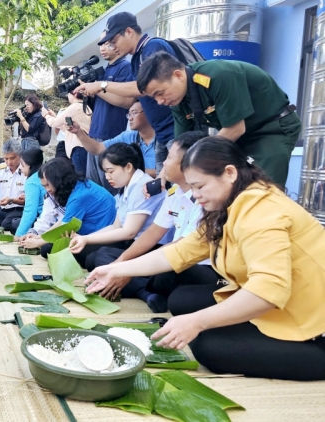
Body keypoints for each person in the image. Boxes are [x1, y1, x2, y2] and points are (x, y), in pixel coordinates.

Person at [86, 137, 325, 381]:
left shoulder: (261, 210)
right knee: (184, 305)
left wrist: (197, 323)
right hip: (280, 305)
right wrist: (117, 270)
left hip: (312, 325)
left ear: (229, 173)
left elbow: (268, 290)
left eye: (200, 186)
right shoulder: (230, 205)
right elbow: (180, 251)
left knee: (207, 345)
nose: (195, 195)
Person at [87, 131, 213, 313]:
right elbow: (153, 233)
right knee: (104, 259)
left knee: (170, 280)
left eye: (169, 158)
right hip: (172, 255)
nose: (163, 164)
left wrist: (126, 270)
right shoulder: (174, 193)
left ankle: (145, 289)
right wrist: (119, 266)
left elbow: (183, 247)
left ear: (190, 163)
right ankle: (147, 291)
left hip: (197, 265)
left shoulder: (206, 199)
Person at [136, 52, 302, 187]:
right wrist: (165, 171)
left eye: (160, 93)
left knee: (261, 188)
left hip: (271, 129)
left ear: (178, 75)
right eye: (154, 98)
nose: (160, 102)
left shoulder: (219, 76)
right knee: (226, 185)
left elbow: (235, 128)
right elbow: (180, 144)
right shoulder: (177, 100)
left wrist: (197, 159)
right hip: (239, 137)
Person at [77, 12, 179, 173]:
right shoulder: (136, 60)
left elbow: (144, 87)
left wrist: (101, 84)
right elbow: (127, 100)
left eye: (113, 41)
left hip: (175, 129)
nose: (112, 47)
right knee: (166, 188)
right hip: (162, 133)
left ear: (129, 32)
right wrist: (98, 89)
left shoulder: (152, 47)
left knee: (181, 184)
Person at [69, 143, 169, 269]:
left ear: (128, 167)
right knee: (82, 253)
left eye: (110, 171)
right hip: (133, 242)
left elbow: (129, 232)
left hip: (151, 246)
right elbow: (116, 226)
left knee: (96, 258)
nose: (107, 177)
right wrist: (85, 238)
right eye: (105, 172)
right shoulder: (126, 187)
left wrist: (87, 239)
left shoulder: (142, 187)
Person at [29, 158, 116, 258]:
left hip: (100, 237)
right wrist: (40, 236)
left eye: (48, 185)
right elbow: (65, 220)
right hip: (93, 233)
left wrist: (37, 242)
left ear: (59, 179)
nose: (47, 190)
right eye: (44, 186)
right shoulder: (79, 185)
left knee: (47, 249)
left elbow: (64, 228)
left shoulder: (78, 197)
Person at [84, 30, 135, 192]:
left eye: (107, 43)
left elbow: (125, 101)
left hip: (112, 135)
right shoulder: (105, 70)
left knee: (111, 187)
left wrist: (97, 88)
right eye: (101, 44)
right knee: (94, 187)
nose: (103, 48)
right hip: (95, 133)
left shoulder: (125, 67)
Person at [68, 101, 156, 178]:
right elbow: (98, 148)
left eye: (134, 113)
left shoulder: (164, 138)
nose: (130, 118)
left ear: (148, 113)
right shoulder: (128, 136)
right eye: (129, 114)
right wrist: (78, 132)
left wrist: (133, 171)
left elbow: (167, 172)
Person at [42, 92, 88, 175]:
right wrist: (54, 117)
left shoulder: (75, 106)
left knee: (80, 178)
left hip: (77, 148)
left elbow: (54, 123)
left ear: (75, 94)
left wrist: (45, 115)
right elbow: (68, 129)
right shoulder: (84, 106)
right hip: (83, 147)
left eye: (69, 94)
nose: (67, 96)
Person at [12, 148, 46, 239]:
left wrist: (18, 235)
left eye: (22, 165)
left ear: (30, 166)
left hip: (43, 218)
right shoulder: (43, 174)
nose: (20, 168)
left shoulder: (32, 181)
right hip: (51, 215)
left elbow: (30, 211)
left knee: (14, 224)